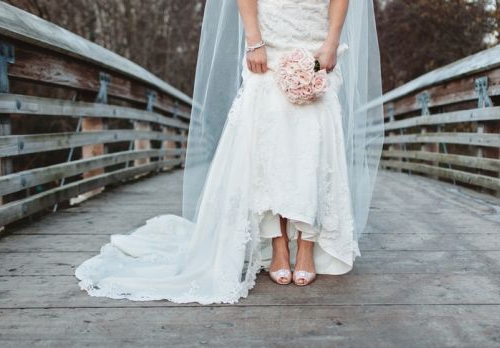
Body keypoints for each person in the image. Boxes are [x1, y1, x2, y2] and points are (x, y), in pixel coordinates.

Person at [74, 0, 383, 304]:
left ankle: (306, 245)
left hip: (315, 43)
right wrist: (253, 40)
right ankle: (277, 245)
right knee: (268, 149)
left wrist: (332, 41)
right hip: (269, 43)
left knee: (314, 148)